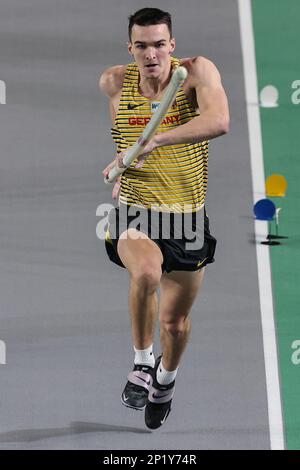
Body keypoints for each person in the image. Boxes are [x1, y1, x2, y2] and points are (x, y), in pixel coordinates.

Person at [99, 7, 229, 430]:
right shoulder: (115, 82)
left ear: (172, 45)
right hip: (136, 210)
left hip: (187, 218)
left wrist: (159, 140)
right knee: (147, 274)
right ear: (130, 48)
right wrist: (123, 167)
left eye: (159, 44)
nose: (151, 53)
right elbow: (122, 134)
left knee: (174, 324)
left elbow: (219, 121)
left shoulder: (195, 73)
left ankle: (166, 381)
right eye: (142, 46)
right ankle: (141, 364)